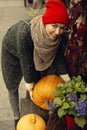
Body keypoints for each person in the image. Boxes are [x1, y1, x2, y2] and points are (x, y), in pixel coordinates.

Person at [1, 0, 70, 128]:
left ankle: (30, 109)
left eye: (62, 27)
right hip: (12, 50)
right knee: (12, 86)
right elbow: (26, 62)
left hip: (34, 51)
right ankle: (16, 118)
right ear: (45, 22)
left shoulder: (59, 36)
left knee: (35, 82)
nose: (58, 32)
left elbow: (59, 57)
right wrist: (30, 85)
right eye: (54, 26)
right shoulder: (25, 33)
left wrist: (68, 81)